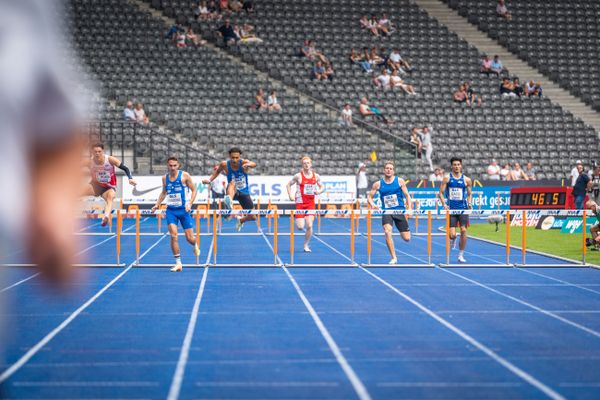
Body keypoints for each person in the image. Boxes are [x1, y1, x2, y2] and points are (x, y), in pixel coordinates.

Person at [151, 157, 200, 272]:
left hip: (184, 211)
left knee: (189, 238)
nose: (172, 168)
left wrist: (190, 203)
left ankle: (196, 242)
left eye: (174, 166)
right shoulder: (164, 178)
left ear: (178, 166)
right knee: (173, 236)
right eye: (170, 166)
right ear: (167, 166)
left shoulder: (184, 176)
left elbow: (194, 190)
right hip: (171, 211)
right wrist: (157, 204)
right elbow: (164, 193)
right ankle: (178, 263)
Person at [367, 161, 412, 264]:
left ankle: (402, 229)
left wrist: (409, 208)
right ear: (384, 170)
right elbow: (369, 197)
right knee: (387, 231)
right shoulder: (378, 184)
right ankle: (394, 257)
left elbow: (407, 195)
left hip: (399, 211)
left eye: (391, 168)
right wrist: (373, 205)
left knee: (407, 238)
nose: (389, 170)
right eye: (387, 168)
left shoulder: (400, 181)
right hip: (387, 211)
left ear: (393, 171)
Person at [82, 143, 137, 227]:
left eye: (99, 151)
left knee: (110, 197)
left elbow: (125, 168)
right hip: (95, 186)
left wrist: (130, 178)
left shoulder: (110, 159)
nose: (97, 153)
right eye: (95, 152)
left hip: (108, 187)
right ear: (92, 152)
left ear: (103, 151)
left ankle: (106, 217)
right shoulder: (89, 161)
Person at [202, 147, 257, 231]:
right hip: (232, 191)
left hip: (244, 192)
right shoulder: (224, 164)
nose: (234, 160)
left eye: (237, 158)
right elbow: (217, 172)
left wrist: (248, 165)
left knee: (253, 217)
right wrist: (209, 180)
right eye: (232, 158)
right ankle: (229, 201)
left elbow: (254, 164)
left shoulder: (244, 162)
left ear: (240, 157)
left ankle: (241, 220)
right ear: (229, 156)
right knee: (232, 183)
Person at [286, 156, 324, 252]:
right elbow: (288, 184)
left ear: (311, 164)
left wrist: (319, 191)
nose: (306, 165)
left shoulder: (316, 176)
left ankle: (306, 245)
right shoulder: (298, 176)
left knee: (310, 225)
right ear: (302, 165)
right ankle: (298, 220)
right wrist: (290, 195)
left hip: (310, 203)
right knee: (300, 227)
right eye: (304, 163)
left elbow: (322, 186)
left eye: (308, 163)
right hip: (300, 204)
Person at [439, 157, 473, 263]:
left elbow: (469, 194)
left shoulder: (467, 180)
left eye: (458, 164)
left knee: (463, 230)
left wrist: (469, 202)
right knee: (452, 235)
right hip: (452, 210)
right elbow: (440, 193)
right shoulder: (447, 178)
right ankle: (453, 238)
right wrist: (444, 204)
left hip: (462, 209)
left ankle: (461, 255)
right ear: (451, 166)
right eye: (454, 164)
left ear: (461, 166)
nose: (456, 166)